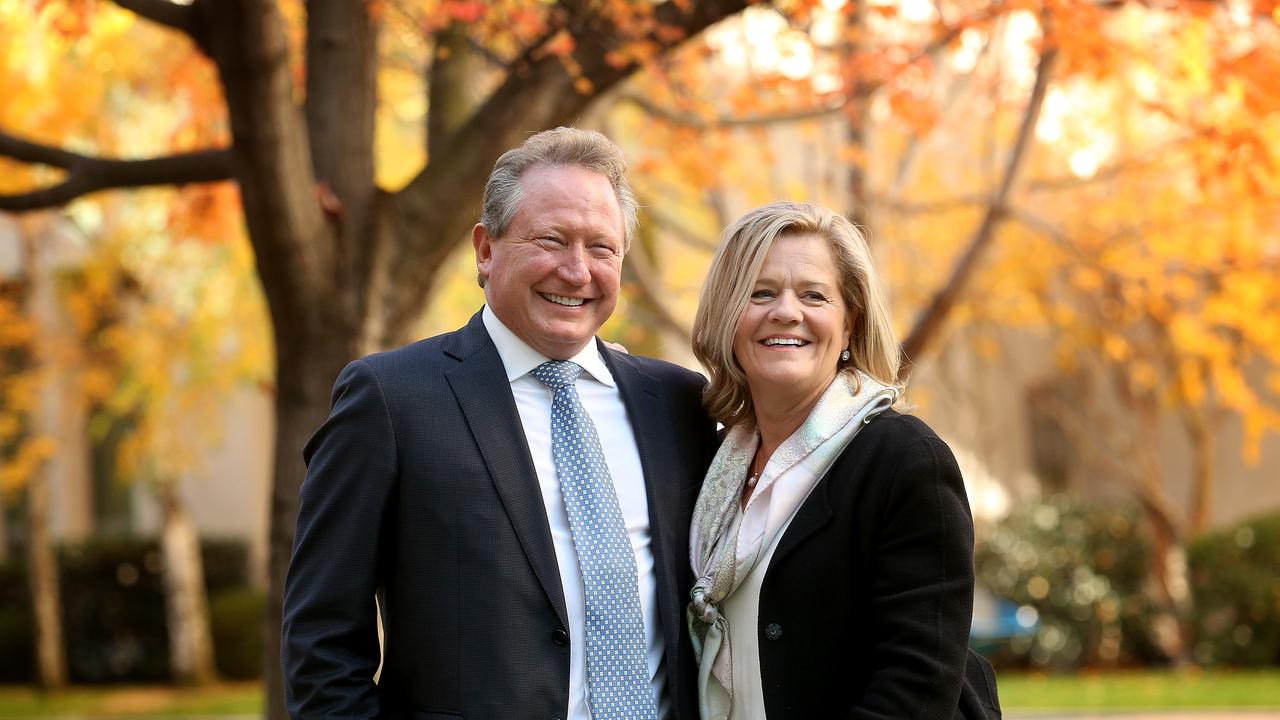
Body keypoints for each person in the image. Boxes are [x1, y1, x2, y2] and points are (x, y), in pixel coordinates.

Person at [282, 127, 719, 720]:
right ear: (485, 250)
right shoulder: (389, 399)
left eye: (602, 248)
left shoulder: (677, 403)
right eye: (552, 240)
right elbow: (322, 645)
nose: (576, 271)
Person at [686, 201, 1000, 719]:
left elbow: (917, 686)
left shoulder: (902, 460)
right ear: (728, 314)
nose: (787, 312)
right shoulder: (715, 465)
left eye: (813, 295)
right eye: (761, 293)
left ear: (849, 325)